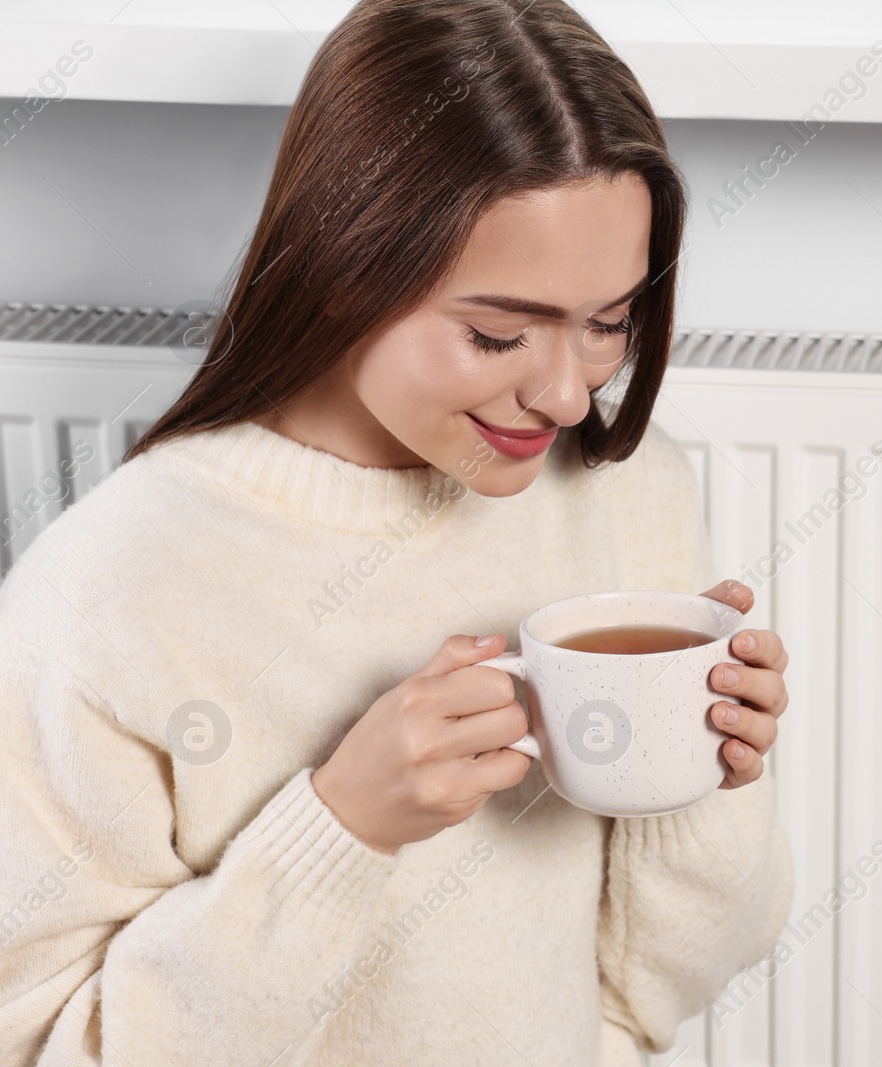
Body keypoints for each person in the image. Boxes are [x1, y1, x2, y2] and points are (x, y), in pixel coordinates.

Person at [0, 1, 793, 1063]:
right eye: (498, 333)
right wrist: (337, 829)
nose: (567, 394)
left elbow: (662, 986)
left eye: (610, 322)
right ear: (341, 268)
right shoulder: (105, 594)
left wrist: (700, 776)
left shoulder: (629, 497)